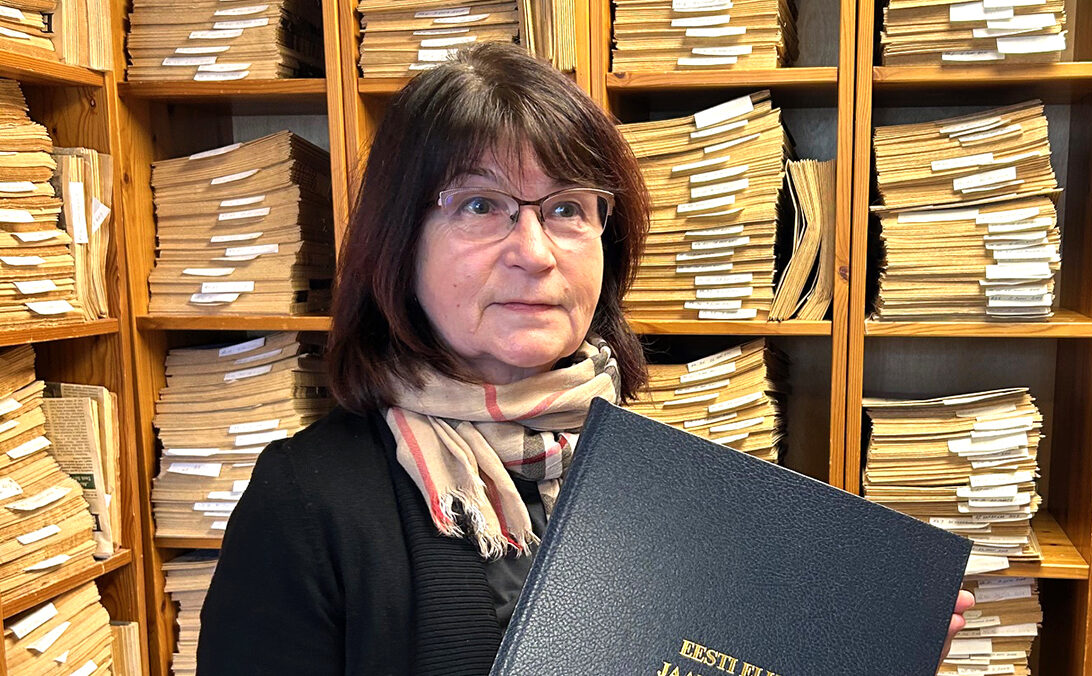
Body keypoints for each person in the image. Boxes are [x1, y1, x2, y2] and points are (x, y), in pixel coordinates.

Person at [195, 42, 972, 675]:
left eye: (567, 208)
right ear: (399, 241)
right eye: (481, 205)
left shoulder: (670, 482)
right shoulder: (306, 503)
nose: (534, 252)